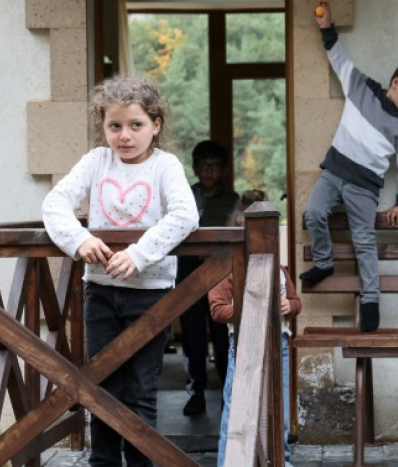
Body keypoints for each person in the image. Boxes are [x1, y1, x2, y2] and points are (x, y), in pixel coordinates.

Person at [42, 76, 199, 467]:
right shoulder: (97, 161)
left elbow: (185, 214)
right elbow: (55, 202)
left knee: (142, 389)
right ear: (103, 127)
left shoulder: (166, 166)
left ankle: (142, 463)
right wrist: (78, 240)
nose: (124, 135)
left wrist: (139, 253)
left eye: (136, 125)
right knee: (101, 387)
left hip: (151, 293)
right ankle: (104, 463)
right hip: (100, 291)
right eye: (115, 126)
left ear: (156, 125)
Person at [301, 1, 398, 332]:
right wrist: (326, 27)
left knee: (364, 240)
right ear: (396, 82)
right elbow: (339, 59)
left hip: (364, 187)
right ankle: (324, 262)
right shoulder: (361, 88)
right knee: (313, 214)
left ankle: (372, 298)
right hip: (334, 173)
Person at [210, 190, 302, 467]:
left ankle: (280, 460)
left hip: (280, 346)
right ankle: (228, 461)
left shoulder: (281, 270)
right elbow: (217, 309)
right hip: (243, 347)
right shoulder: (226, 271)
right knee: (236, 409)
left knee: (280, 409)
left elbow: (297, 302)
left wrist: (289, 306)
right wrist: (252, 308)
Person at [178, 140, 239, 416]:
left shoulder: (233, 200)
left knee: (223, 337)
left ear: (224, 169)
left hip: (221, 277)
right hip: (189, 276)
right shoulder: (185, 197)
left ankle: (229, 393)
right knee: (192, 339)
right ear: (195, 168)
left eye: (215, 166)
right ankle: (196, 393)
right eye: (204, 165)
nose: (209, 171)